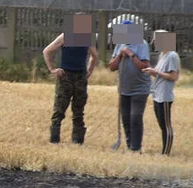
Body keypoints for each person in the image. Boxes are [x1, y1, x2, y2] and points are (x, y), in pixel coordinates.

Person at [42, 14, 97, 144]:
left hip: (80, 76)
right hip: (65, 76)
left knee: (78, 111)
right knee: (59, 109)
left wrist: (88, 71)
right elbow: (47, 51)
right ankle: (54, 139)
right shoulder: (65, 36)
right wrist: (52, 69)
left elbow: (94, 56)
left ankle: (77, 141)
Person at [108, 21, 151, 152]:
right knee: (126, 119)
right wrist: (120, 55)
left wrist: (131, 55)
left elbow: (145, 67)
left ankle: (136, 148)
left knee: (135, 117)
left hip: (139, 88)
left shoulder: (142, 44)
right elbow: (112, 67)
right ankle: (129, 145)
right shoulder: (119, 45)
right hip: (123, 88)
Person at [144, 30, 180, 156]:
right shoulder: (162, 55)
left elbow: (173, 76)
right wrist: (152, 72)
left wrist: (157, 72)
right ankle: (164, 149)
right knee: (161, 124)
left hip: (165, 95)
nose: (154, 42)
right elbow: (160, 74)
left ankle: (166, 152)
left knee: (166, 125)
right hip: (157, 94)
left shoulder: (172, 56)